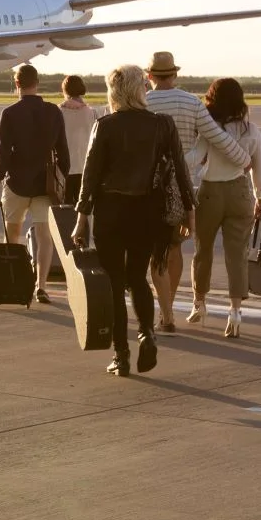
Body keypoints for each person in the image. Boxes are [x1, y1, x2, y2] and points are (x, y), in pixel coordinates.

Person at [72, 64, 195, 377]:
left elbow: (91, 174)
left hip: (111, 211)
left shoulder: (106, 125)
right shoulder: (162, 125)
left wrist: (81, 218)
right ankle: (147, 333)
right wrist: (189, 213)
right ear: (140, 89)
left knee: (114, 282)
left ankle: (121, 354)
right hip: (147, 211)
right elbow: (181, 171)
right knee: (138, 277)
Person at [143, 52, 247, 331]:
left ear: (150, 76)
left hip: (145, 186)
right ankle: (169, 308)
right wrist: (242, 157)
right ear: (174, 75)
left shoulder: (141, 101)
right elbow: (216, 136)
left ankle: (161, 308)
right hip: (181, 185)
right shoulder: (191, 103)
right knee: (173, 248)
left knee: (151, 251)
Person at [0, 64, 70, 304]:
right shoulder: (53, 112)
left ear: (17, 84)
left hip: (17, 183)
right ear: (37, 83)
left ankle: (12, 280)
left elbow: (3, 153)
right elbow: (63, 152)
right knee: (44, 236)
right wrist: (60, 181)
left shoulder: (10, 113)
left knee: (12, 235)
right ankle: (41, 286)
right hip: (45, 185)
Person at [190, 78, 261, 338]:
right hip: (240, 192)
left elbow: (192, 159)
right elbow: (258, 168)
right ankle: (235, 312)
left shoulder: (210, 130)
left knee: (204, 250)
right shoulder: (251, 130)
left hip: (211, 192)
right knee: (237, 255)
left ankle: (199, 302)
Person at [59, 74, 103, 204]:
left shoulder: (58, 112)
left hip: (64, 168)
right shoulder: (93, 113)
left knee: (64, 210)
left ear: (64, 90)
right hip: (85, 167)